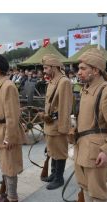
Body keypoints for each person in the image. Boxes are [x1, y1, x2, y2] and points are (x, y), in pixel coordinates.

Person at [74, 48, 107, 202]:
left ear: (95, 70)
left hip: (97, 153)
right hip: (82, 149)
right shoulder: (86, 89)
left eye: (83, 68)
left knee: (97, 193)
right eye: (79, 68)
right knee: (86, 188)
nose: (78, 72)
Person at [0, 55, 26, 202]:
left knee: (10, 165)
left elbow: (12, 115)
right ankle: (6, 193)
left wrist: (9, 137)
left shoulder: (8, 86)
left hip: (6, 131)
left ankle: (12, 198)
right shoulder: (0, 85)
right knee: (5, 163)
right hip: (0, 130)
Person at [40, 54, 73, 190]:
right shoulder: (53, 80)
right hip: (49, 123)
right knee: (52, 150)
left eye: (46, 68)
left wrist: (63, 128)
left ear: (54, 67)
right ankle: (54, 174)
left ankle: (59, 178)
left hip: (58, 123)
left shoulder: (63, 81)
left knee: (60, 151)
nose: (44, 71)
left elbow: (65, 107)